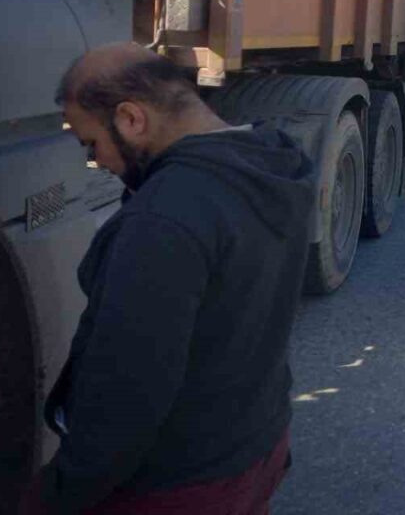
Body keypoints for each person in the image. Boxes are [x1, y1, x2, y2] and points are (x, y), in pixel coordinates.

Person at [23, 43, 314, 514]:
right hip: (258, 447)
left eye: (91, 144)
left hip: (180, 484)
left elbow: (126, 395)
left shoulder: (162, 219)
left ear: (131, 119)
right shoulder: (273, 162)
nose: (97, 162)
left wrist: (58, 494)